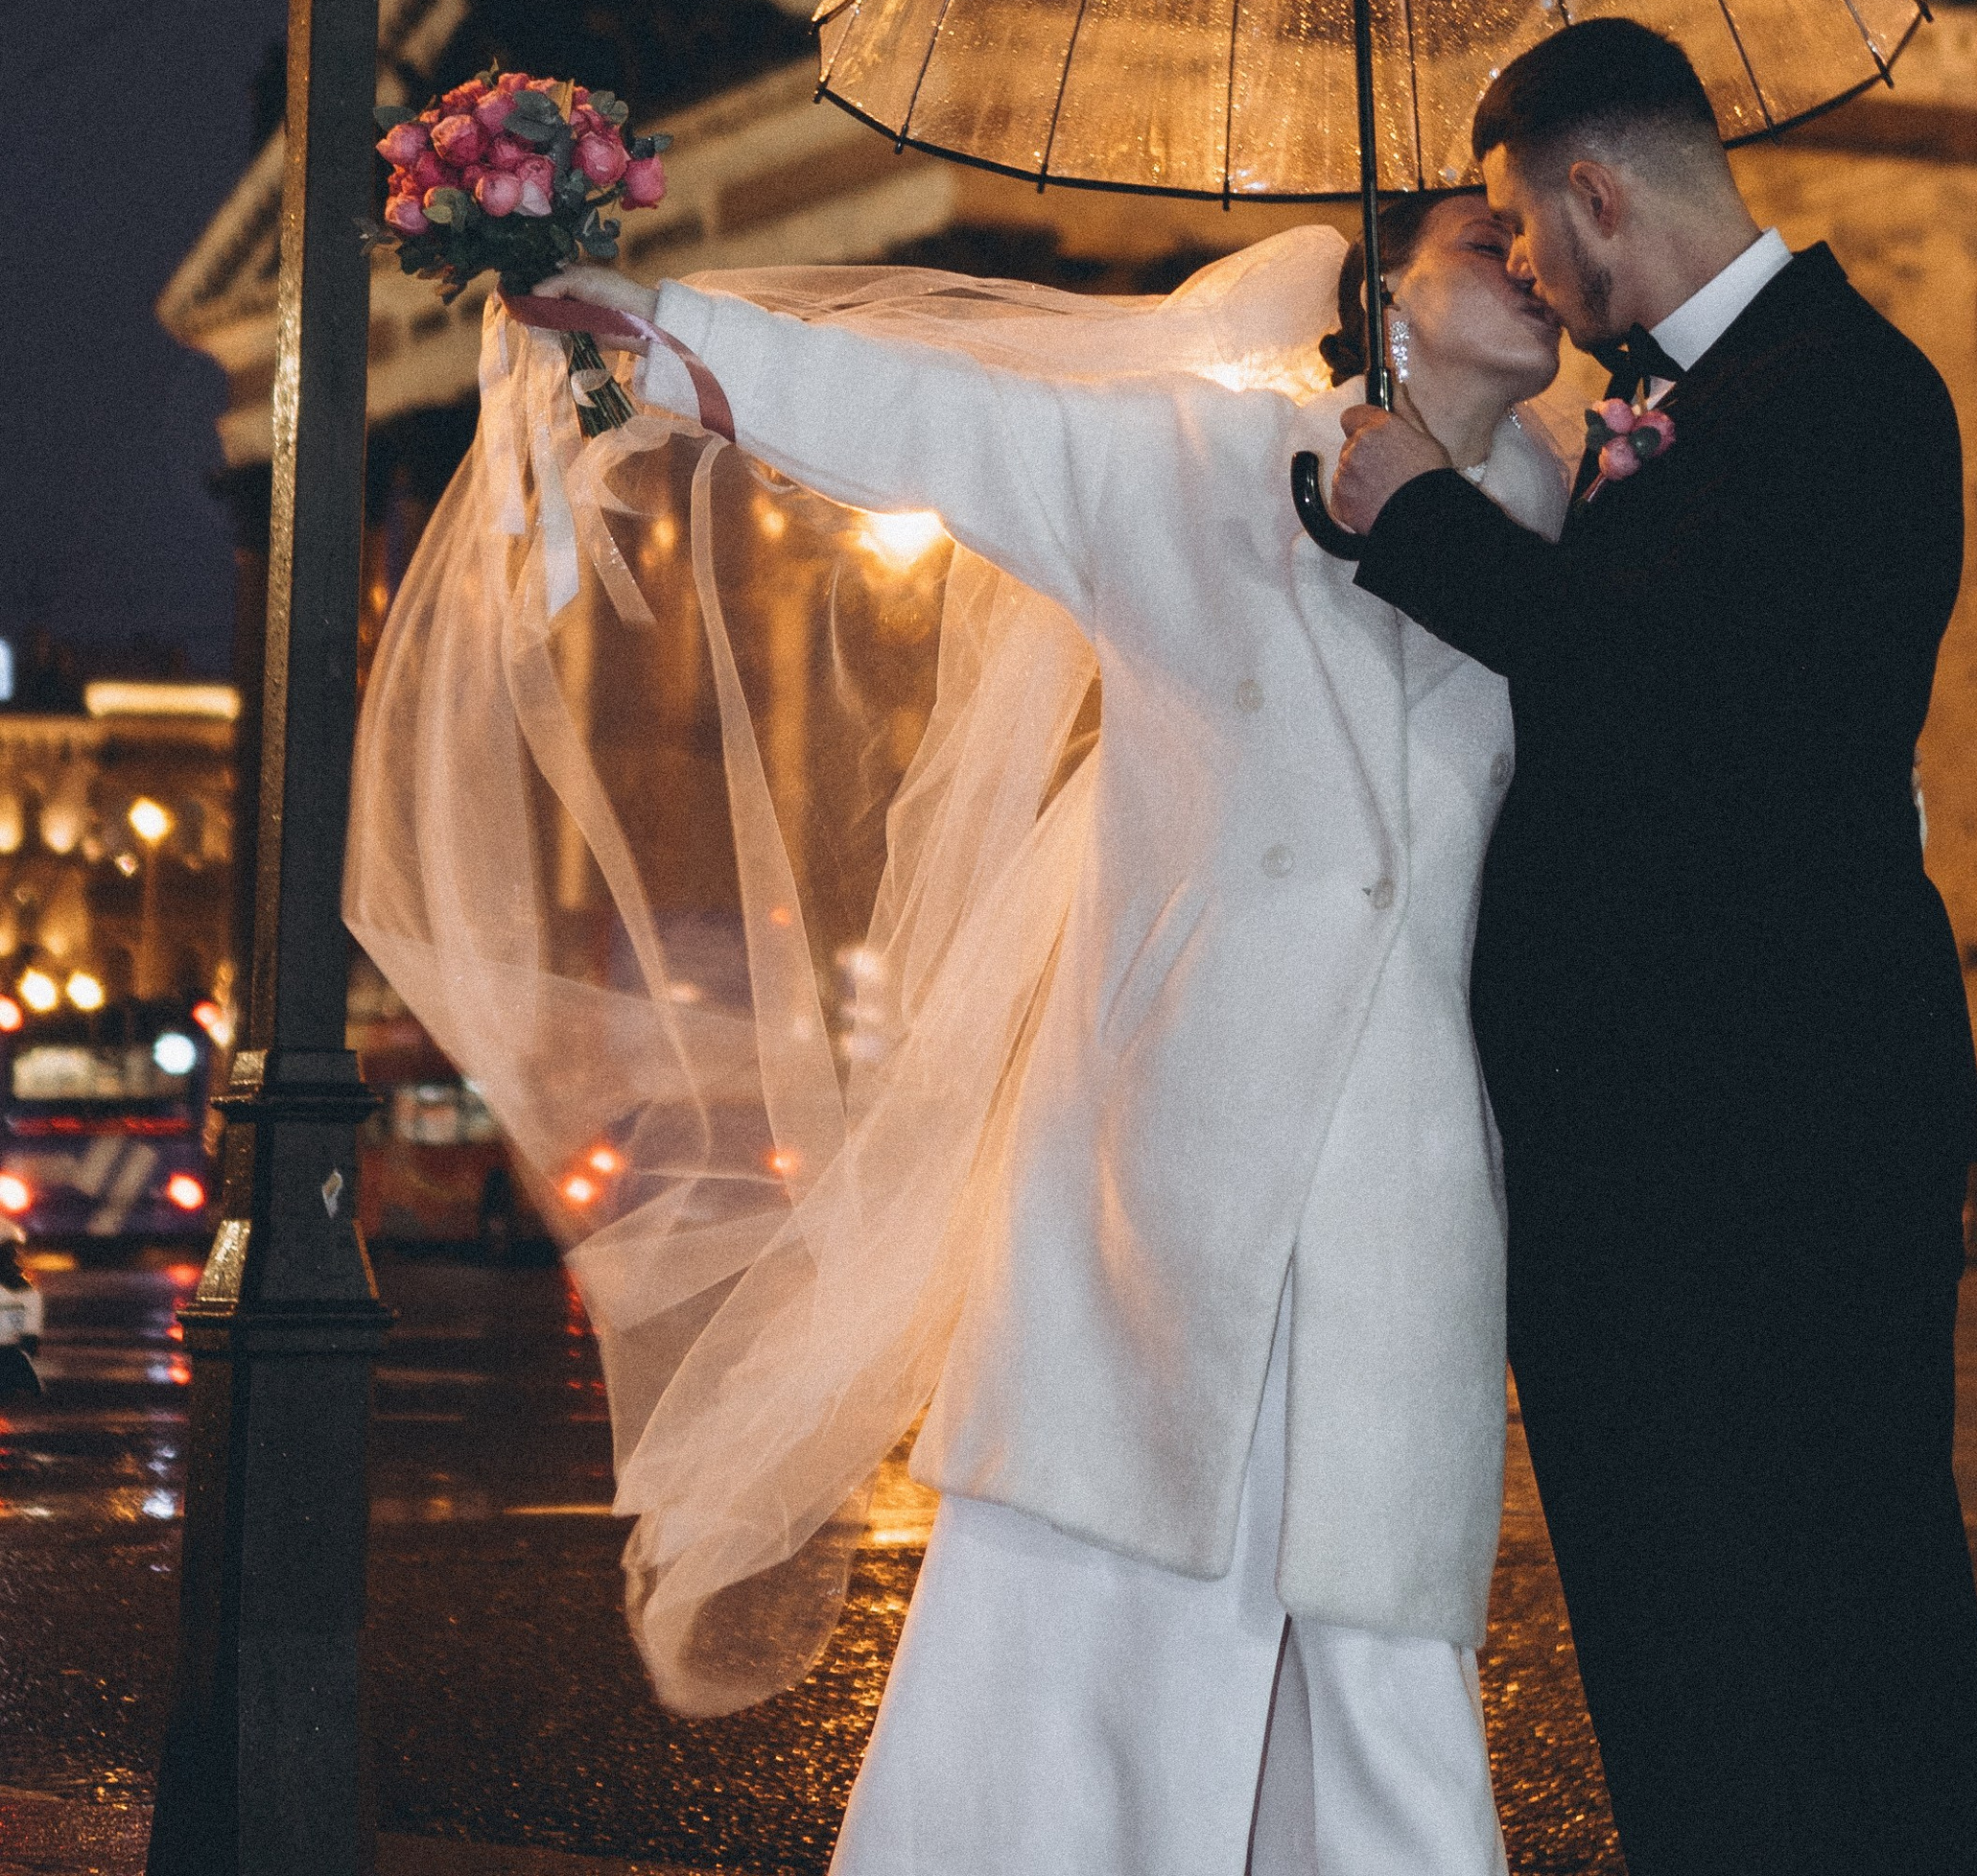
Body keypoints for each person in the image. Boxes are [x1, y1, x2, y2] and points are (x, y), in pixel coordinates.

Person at [350, 200, 1566, 1876]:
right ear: (1388, 296)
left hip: (1409, 1184)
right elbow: (934, 417)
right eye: (1484, 236)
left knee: (1379, 1649)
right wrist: (654, 329)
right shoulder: (1196, 467)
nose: (1531, 261)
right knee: (1087, 1619)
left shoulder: (1560, 535)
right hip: (1167, 1162)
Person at [1330, 14, 1977, 1876]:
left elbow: (1682, 700)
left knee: (1837, 1625)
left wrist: (1417, 524)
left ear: (1597, 196)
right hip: (1650, 1148)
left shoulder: (1844, 392)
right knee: (1679, 1646)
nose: (1524, 272)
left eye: (1519, 229)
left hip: (1775, 1135)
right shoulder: (1674, 405)